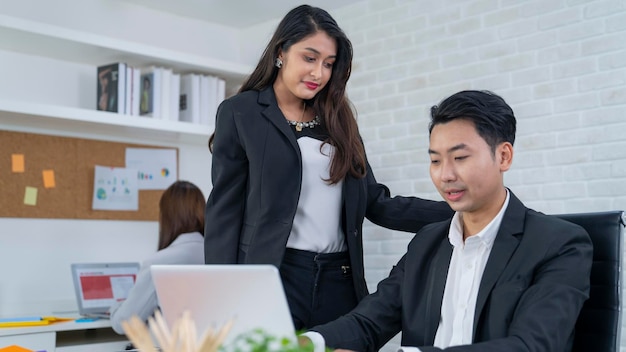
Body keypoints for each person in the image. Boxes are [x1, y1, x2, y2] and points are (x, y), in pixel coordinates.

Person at [204, 4, 453, 331]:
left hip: (340, 281)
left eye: (329, 64)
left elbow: (376, 202)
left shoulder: (339, 119)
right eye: (309, 58)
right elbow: (225, 211)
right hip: (275, 278)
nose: (319, 73)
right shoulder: (242, 112)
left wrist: (458, 213)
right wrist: (222, 298)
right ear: (282, 52)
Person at [305, 90, 593, 351]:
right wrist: (303, 344)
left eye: (460, 157)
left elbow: (531, 346)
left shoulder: (558, 243)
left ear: (503, 156)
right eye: (435, 160)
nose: (445, 175)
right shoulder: (427, 244)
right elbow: (368, 322)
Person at [109, 180, 205, 334]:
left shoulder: (159, 263)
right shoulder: (218, 256)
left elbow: (124, 324)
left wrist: (114, 307)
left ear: (166, 217)